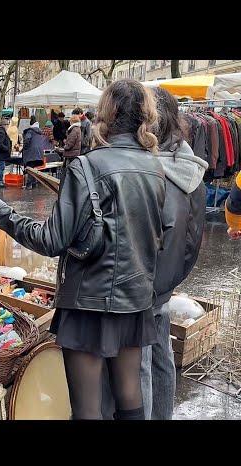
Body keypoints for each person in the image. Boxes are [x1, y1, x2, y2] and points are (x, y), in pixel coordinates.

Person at [0, 79, 166, 420]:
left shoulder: (87, 166)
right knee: (131, 402)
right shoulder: (156, 168)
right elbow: (162, 238)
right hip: (134, 299)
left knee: (86, 410)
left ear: (107, 114)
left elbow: (51, 240)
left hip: (89, 302)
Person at [100, 87, 207, 420]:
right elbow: (193, 235)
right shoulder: (190, 167)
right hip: (165, 283)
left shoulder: (148, 172)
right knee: (160, 355)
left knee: (138, 367)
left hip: (141, 287)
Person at [21, 118, 46, 189]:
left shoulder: (30, 131)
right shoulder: (39, 132)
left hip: (31, 152)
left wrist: (24, 147)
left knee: (30, 168)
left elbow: (27, 140)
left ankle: (29, 185)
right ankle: (34, 183)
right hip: (39, 152)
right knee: (34, 168)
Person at [0, 118, 12, 187]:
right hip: (1, 154)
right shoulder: (2, 132)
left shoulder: (1, 131)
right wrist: (6, 148)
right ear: (4, 125)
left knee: (1, 167)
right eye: (7, 125)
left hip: (0, 153)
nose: (8, 127)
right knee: (1, 167)